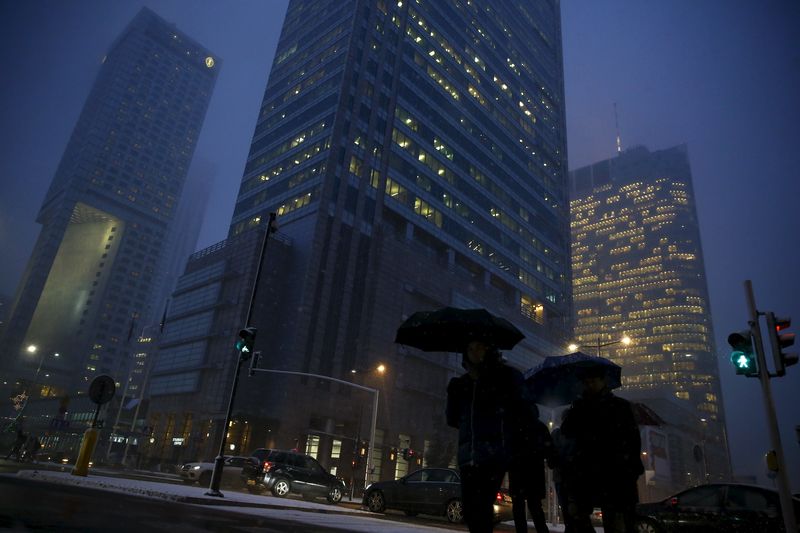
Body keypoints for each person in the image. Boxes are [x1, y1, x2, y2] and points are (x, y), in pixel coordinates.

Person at [446, 340, 537, 533]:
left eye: (480, 346)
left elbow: (527, 411)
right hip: (467, 455)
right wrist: (455, 395)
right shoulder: (461, 384)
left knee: (483, 506)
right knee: (470, 510)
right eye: (470, 348)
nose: (475, 352)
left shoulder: (506, 378)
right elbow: (452, 419)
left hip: (494, 454)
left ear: (489, 349)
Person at [560, 366, 644, 533]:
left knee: (615, 518)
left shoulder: (619, 406)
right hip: (589, 470)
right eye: (587, 382)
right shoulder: (580, 407)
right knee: (582, 516)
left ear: (603, 381)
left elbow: (632, 439)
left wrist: (631, 466)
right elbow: (567, 431)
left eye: (593, 381)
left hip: (615, 470)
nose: (590, 385)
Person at [508, 411, 553, 533]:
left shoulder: (513, 426)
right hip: (534, 474)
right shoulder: (539, 427)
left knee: (518, 509)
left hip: (517, 473)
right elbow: (549, 451)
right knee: (536, 509)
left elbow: (507, 448)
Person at [548, 409, 577, 532]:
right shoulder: (577, 435)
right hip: (573, 477)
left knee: (566, 507)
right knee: (574, 509)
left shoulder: (556, 434)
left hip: (562, 476)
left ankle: (570, 528)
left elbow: (551, 456)